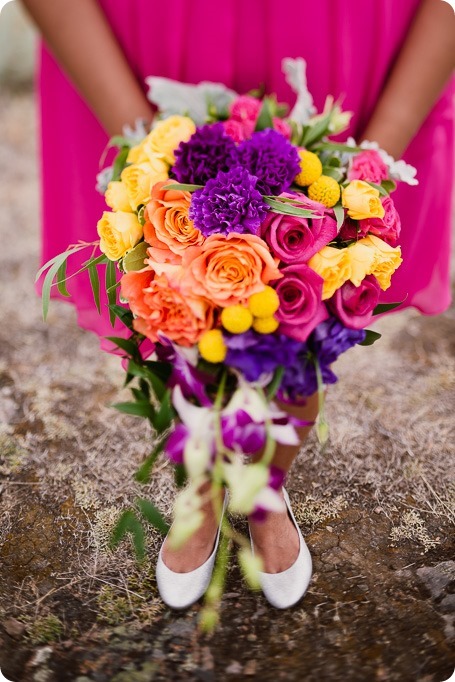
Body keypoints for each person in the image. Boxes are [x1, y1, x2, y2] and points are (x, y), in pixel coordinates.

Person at [22, 0, 455, 608]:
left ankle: (264, 486)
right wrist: (146, 163)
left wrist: (364, 170)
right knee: (163, 295)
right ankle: (199, 483)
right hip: (148, 38)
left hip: (333, 42)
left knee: (305, 302)